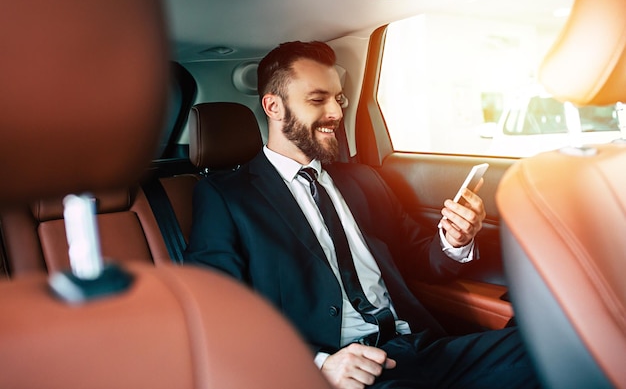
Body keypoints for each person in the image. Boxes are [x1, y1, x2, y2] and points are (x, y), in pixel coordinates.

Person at [185, 41, 539, 388]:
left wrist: (454, 240)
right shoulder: (226, 197)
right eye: (317, 99)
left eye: (338, 99)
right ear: (274, 107)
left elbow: (417, 257)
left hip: (418, 348)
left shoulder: (363, 180)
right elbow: (216, 312)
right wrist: (319, 365)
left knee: (557, 345)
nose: (337, 113)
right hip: (343, 368)